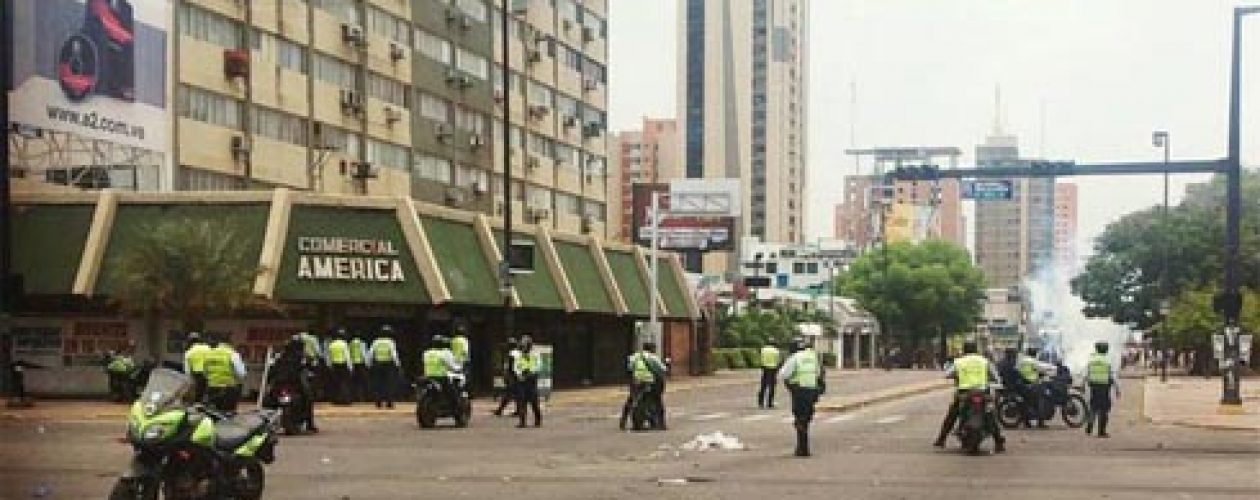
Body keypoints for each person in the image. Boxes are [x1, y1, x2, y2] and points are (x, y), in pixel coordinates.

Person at [934, 341, 1006, 453]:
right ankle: (999, 442)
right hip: (983, 392)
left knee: (952, 414)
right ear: (976, 350)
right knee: (991, 415)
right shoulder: (984, 361)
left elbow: (947, 374)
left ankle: (942, 438)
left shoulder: (959, 362)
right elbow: (996, 378)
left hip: (964, 393)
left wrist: (955, 376)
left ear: (964, 350)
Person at [779, 338, 825, 457]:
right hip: (812, 390)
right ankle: (804, 448)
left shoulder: (795, 358)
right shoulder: (812, 356)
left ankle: (802, 448)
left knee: (800, 419)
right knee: (806, 419)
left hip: (799, 390)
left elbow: (784, 374)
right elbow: (819, 373)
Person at [269, 336, 318, 432]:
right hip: (291, 385)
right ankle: (309, 424)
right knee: (308, 398)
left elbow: (272, 370)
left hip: (283, 385)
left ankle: (308, 423)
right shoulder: (300, 357)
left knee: (308, 398)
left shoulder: (281, 356)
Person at [621, 341, 668, 430]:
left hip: (637, 382)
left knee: (631, 399)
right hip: (649, 382)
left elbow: (630, 367)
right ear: (652, 349)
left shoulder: (635, 356)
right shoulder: (652, 357)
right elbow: (662, 369)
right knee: (657, 401)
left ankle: (623, 420)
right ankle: (662, 423)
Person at [203, 334, 247, 413]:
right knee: (227, 415)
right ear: (230, 343)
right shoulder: (232, 354)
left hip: (212, 388)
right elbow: (242, 373)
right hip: (228, 389)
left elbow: (205, 372)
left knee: (212, 413)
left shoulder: (209, 354)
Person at [1085, 341, 1121, 438]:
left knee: (1093, 407)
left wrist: (1082, 385)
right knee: (1104, 410)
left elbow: (1086, 373)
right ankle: (1101, 431)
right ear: (1106, 350)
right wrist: (1117, 389)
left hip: (1093, 387)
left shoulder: (1091, 360)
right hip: (1104, 388)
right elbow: (1112, 376)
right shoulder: (1108, 361)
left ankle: (1089, 425)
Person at [421, 335, 462, 411]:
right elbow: (451, 366)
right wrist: (458, 369)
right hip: (441, 377)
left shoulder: (426, 353)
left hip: (428, 377)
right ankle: (456, 407)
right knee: (453, 393)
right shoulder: (444, 353)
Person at [367, 326, 402, 409]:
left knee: (378, 383)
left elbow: (371, 353)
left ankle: (378, 402)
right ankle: (389, 402)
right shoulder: (390, 342)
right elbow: (394, 354)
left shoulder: (375, 342)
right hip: (388, 365)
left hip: (378, 364)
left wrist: (369, 364)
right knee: (389, 384)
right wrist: (398, 365)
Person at [513, 335, 543, 428]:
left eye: (525, 344)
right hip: (522, 379)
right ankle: (522, 422)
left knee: (534, 401)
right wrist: (519, 375)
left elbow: (538, 366)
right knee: (522, 400)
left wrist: (531, 373)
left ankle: (538, 420)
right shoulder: (519, 355)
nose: (523, 346)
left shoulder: (535, 354)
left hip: (531, 379)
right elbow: (516, 366)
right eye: (522, 344)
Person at [1017, 347, 1050, 428]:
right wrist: (1051, 369)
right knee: (1042, 398)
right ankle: (1041, 422)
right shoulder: (1032, 361)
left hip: (1023, 385)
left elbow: (1018, 370)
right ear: (1035, 354)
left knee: (1028, 402)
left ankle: (1026, 422)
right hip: (1032, 384)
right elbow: (1042, 368)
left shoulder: (1022, 361)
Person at [493, 338, 521, 417]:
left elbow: (511, 366)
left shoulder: (512, 354)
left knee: (508, 394)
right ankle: (518, 410)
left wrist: (508, 375)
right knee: (516, 395)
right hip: (518, 376)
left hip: (513, 376)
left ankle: (500, 410)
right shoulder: (518, 353)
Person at [325, 329, 353, 405]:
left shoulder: (331, 344)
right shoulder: (344, 344)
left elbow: (328, 357)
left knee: (335, 383)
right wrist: (350, 367)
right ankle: (345, 400)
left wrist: (330, 366)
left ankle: (336, 400)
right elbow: (347, 356)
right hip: (343, 365)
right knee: (344, 383)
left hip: (334, 365)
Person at [183, 332, 211, 403]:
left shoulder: (189, 352)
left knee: (198, 397)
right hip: (210, 375)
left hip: (197, 376)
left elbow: (187, 371)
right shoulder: (207, 348)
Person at [757, 341, 782, 408]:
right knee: (772, 387)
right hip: (773, 369)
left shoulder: (763, 349)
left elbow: (761, 359)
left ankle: (760, 402)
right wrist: (778, 368)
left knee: (763, 386)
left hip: (765, 368)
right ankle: (770, 403)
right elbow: (778, 361)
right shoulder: (776, 351)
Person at [349, 333, 369, 402]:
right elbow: (364, 354)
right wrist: (367, 364)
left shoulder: (351, 343)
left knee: (354, 381)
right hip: (360, 363)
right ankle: (361, 397)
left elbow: (349, 353)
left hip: (353, 363)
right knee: (361, 381)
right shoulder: (362, 343)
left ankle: (354, 397)